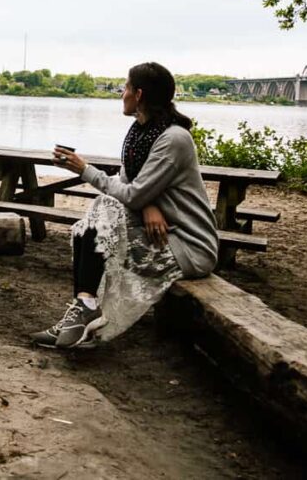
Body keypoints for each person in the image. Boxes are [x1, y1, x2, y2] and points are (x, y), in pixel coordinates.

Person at [30, 62, 219, 349]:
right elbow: (129, 184)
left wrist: (85, 170)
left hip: (189, 246)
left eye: (126, 87)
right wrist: (147, 205)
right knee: (86, 229)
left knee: (104, 209)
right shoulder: (141, 133)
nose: (122, 93)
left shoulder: (174, 139)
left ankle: (84, 310)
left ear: (139, 94)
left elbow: (131, 193)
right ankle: (82, 309)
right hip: (160, 231)